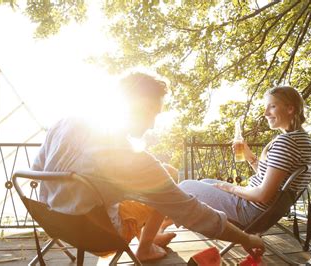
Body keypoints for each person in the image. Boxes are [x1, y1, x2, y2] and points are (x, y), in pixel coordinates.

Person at [31, 72, 264, 261]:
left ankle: (151, 238)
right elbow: (192, 212)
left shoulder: (66, 122)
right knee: (164, 184)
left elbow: (38, 168)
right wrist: (247, 239)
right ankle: (146, 248)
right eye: (151, 113)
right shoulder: (132, 159)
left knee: (167, 174)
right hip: (97, 235)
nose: (152, 124)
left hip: (53, 220)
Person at [178, 86, 311, 228]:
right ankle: (164, 227)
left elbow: (262, 195)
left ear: (290, 109)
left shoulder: (287, 142)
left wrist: (230, 187)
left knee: (185, 187)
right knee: (205, 182)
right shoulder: (304, 141)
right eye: (266, 107)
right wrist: (250, 157)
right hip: (266, 213)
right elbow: (271, 179)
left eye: (272, 106)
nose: (265, 113)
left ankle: (160, 231)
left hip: (250, 212)